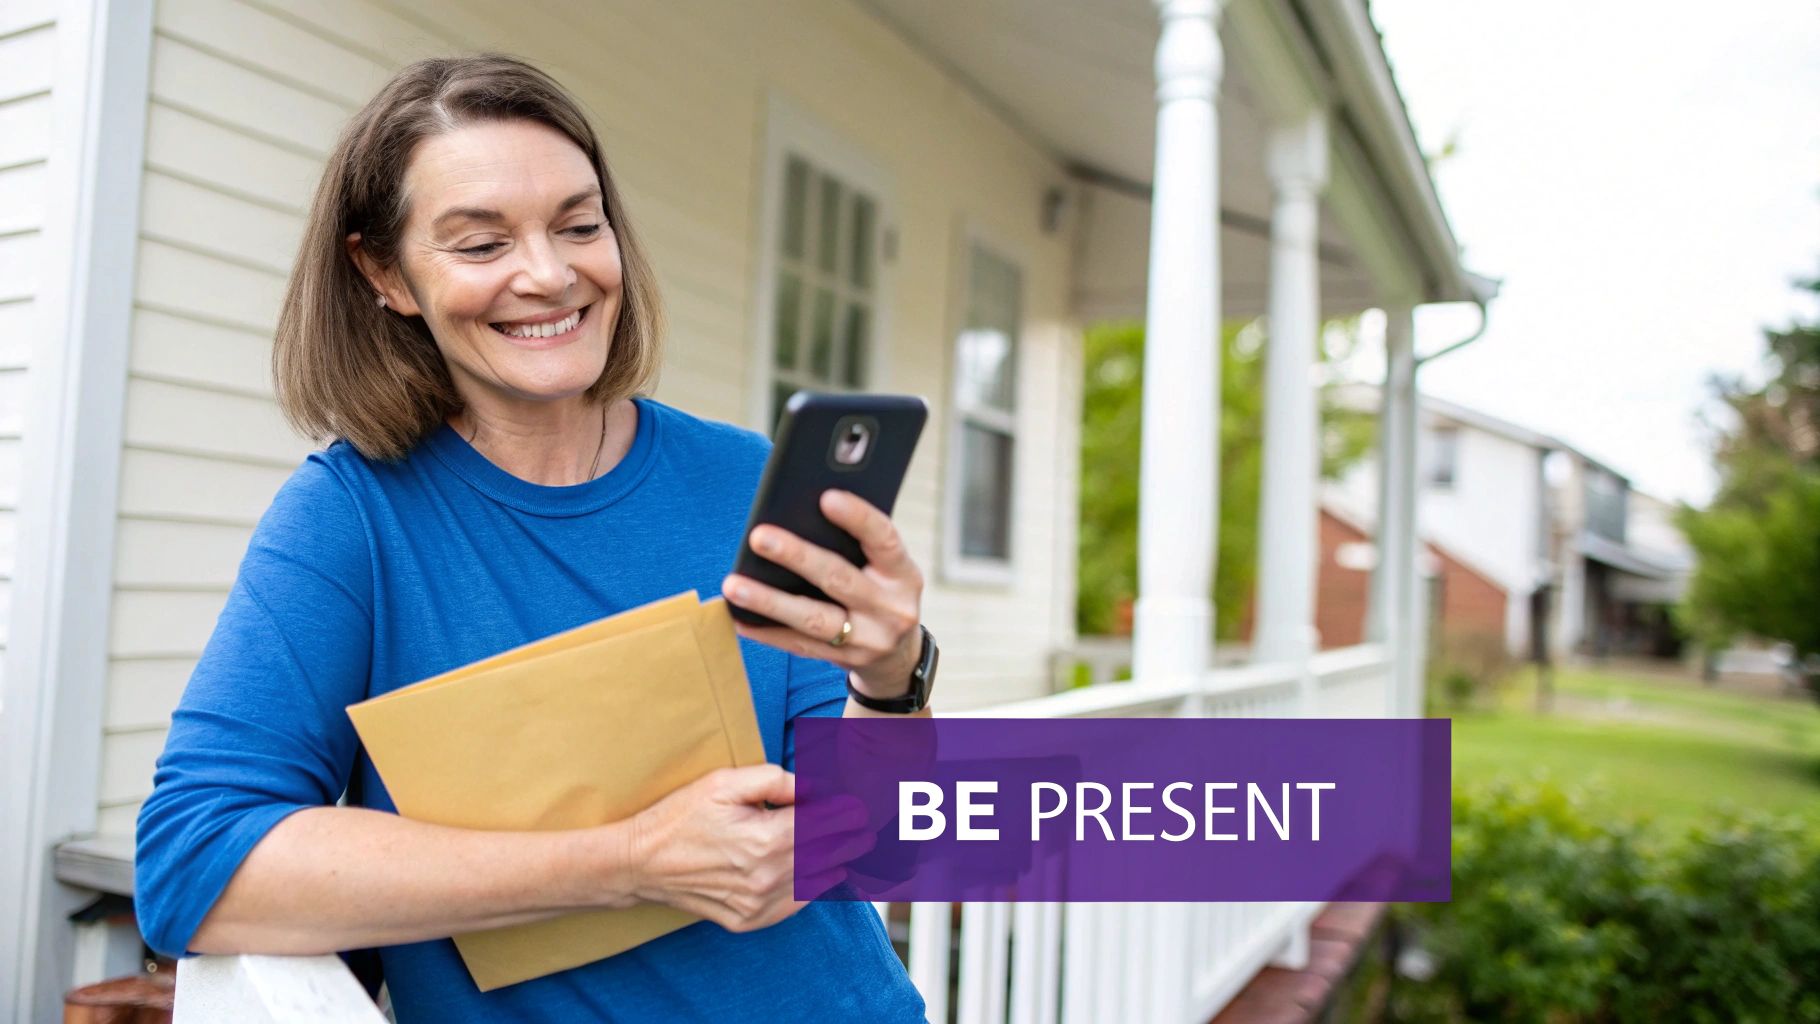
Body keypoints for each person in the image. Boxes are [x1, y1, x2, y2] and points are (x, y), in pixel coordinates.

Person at [133, 53, 932, 1023]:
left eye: (579, 225)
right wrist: (629, 859)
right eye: (480, 244)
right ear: (383, 273)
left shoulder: (741, 479)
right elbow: (193, 865)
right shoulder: (353, 519)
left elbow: (865, 840)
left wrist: (889, 680)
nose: (550, 275)